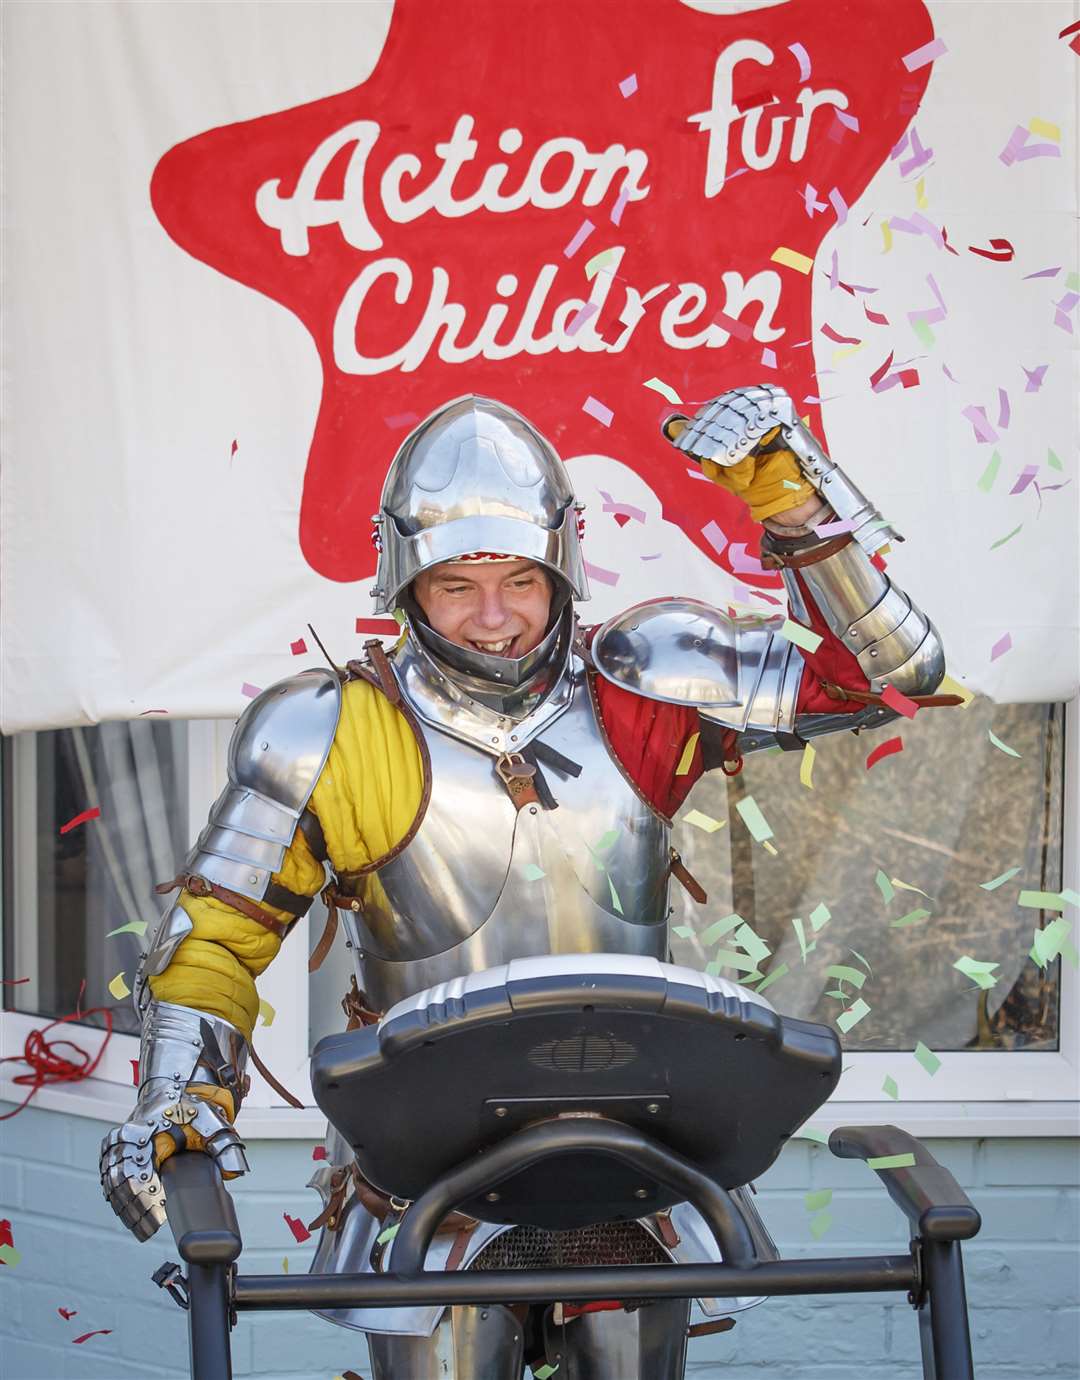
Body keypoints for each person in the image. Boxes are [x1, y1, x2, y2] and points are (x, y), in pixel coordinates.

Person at [101, 387, 951, 1378]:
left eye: (520, 579)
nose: (495, 616)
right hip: (428, 1170)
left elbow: (889, 675)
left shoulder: (642, 687)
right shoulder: (332, 730)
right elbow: (219, 931)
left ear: (565, 567)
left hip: (639, 1152)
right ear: (404, 580)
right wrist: (175, 1094)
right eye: (458, 583)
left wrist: (795, 506)